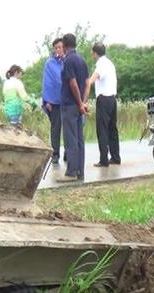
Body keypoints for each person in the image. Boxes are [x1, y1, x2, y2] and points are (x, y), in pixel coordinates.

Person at [83, 42, 121, 167]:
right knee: (112, 128)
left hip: (104, 99)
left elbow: (91, 80)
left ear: (95, 53)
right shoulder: (110, 63)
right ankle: (115, 157)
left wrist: (85, 90)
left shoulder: (101, 64)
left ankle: (104, 159)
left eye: (92, 53)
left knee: (102, 129)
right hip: (112, 99)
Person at [58, 33, 89, 182]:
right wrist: (83, 103)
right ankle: (80, 172)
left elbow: (73, 83)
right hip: (78, 106)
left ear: (64, 45)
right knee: (79, 140)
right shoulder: (82, 60)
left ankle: (71, 172)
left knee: (70, 139)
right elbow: (87, 83)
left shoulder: (68, 60)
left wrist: (79, 103)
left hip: (70, 105)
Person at [42, 38, 64, 164]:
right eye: (56, 48)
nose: (58, 50)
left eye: (60, 47)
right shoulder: (49, 64)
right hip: (54, 101)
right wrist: (48, 100)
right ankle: (55, 153)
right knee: (55, 128)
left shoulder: (68, 61)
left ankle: (68, 153)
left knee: (68, 128)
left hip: (67, 100)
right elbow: (47, 83)